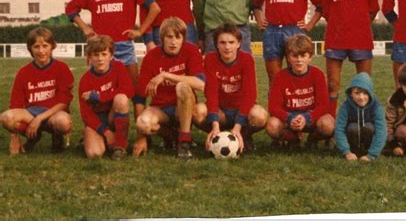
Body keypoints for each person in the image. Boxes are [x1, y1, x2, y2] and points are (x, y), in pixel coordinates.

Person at [65, 0, 159, 118]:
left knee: (136, 89)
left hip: (124, 46)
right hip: (101, 49)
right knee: (96, 90)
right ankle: (96, 128)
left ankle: (140, 132)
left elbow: (154, 7)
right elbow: (71, 8)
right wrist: (85, 28)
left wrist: (140, 31)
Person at [320, 0, 379, 118]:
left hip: (360, 36)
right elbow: (327, 10)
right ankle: (331, 127)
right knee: (332, 84)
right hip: (336, 37)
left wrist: (358, 24)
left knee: (364, 83)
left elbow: (373, 8)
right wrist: (341, 23)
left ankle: (364, 124)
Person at [133, 17, 205, 159]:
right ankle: (172, 137)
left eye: (178, 37)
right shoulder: (151, 57)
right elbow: (140, 97)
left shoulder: (191, 50)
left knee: (182, 87)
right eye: (169, 37)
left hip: (183, 108)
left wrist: (166, 75)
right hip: (161, 110)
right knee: (143, 123)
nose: (173, 42)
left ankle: (184, 143)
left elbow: (201, 84)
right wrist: (141, 137)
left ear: (183, 38)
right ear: (162, 38)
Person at [193, 23, 268, 153]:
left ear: (238, 43)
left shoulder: (246, 59)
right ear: (216, 44)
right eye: (222, 42)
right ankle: (217, 134)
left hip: (241, 110)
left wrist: (238, 126)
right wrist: (215, 124)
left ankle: (244, 135)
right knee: (197, 112)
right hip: (221, 111)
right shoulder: (210, 59)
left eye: (231, 42)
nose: (227, 47)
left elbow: (250, 95)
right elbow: (211, 94)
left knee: (260, 116)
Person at [0, 27, 73, 155]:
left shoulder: (62, 68)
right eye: (36, 46)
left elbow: (64, 101)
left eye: (45, 46)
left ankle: (57, 136)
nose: (41, 51)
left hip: (53, 114)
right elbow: (15, 104)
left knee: (64, 122)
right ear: (30, 49)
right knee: (6, 117)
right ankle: (34, 136)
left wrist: (39, 119)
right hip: (30, 114)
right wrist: (14, 137)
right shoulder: (23, 72)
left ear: (52, 46)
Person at [266, 34, 334, 149]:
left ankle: (312, 139)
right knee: (272, 125)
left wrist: (306, 118)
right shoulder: (280, 76)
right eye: (295, 56)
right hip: (289, 117)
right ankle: (293, 139)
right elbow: (273, 106)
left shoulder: (318, 74)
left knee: (328, 125)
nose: (299, 60)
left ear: (310, 57)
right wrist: (288, 118)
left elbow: (324, 105)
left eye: (303, 55)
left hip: (310, 117)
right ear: (288, 57)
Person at [78, 35, 134, 160]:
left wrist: (99, 97)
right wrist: (106, 132)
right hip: (97, 121)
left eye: (104, 54)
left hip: (113, 115)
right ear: (90, 57)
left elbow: (129, 90)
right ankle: (96, 139)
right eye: (96, 55)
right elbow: (86, 114)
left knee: (121, 98)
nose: (100, 59)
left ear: (111, 55)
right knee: (95, 154)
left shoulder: (118, 68)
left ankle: (120, 145)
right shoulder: (85, 80)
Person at [334, 72, 387, 162]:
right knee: (352, 127)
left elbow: (381, 132)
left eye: (365, 93)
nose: (361, 97)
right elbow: (339, 129)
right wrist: (346, 151)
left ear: (370, 94)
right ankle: (353, 150)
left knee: (369, 126)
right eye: (357, 93)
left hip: (369, 140)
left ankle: (367, 151)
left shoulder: (376, 107)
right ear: (351, 94)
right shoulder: (346, 106)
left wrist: (372, 155)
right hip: (352, 139)